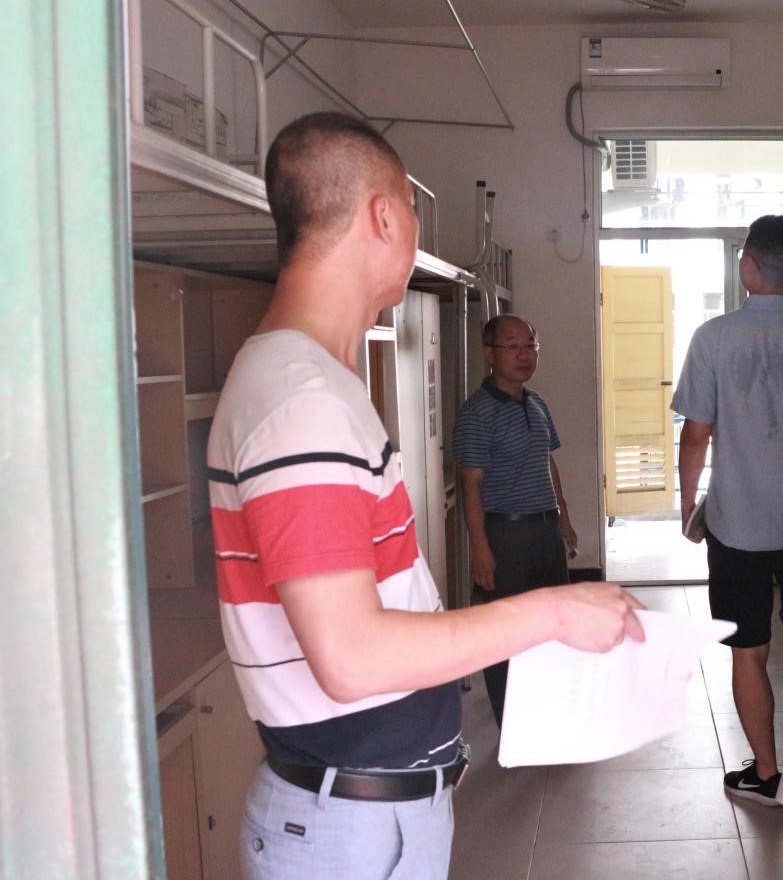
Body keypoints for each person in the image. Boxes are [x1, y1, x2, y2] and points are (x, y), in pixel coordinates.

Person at [208, 111, 643, 880]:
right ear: (384, 215)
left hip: (361, 813)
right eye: (411, 209)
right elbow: (350, 656)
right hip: (348, 829)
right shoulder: (303, 403)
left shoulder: (309, 384)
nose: (413, 230)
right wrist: (553, 611)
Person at [672, 214, 783, 806]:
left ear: (748, 265)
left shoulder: (713, 338)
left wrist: (688, 502)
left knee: (749, 650)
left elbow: (696, 432)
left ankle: (767, 774)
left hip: (737, 528)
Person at [453, 313, 578, 726]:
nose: (524, 355)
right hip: (505, 535)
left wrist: (563, 518)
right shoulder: (477, 413)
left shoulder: (537, 403)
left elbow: (548, 462)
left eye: (530, 345)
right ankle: (512, 723)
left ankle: (547, 711)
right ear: (489, 354)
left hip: (544, 532)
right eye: (513, 346)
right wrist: (480, 549)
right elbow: (470, 484)